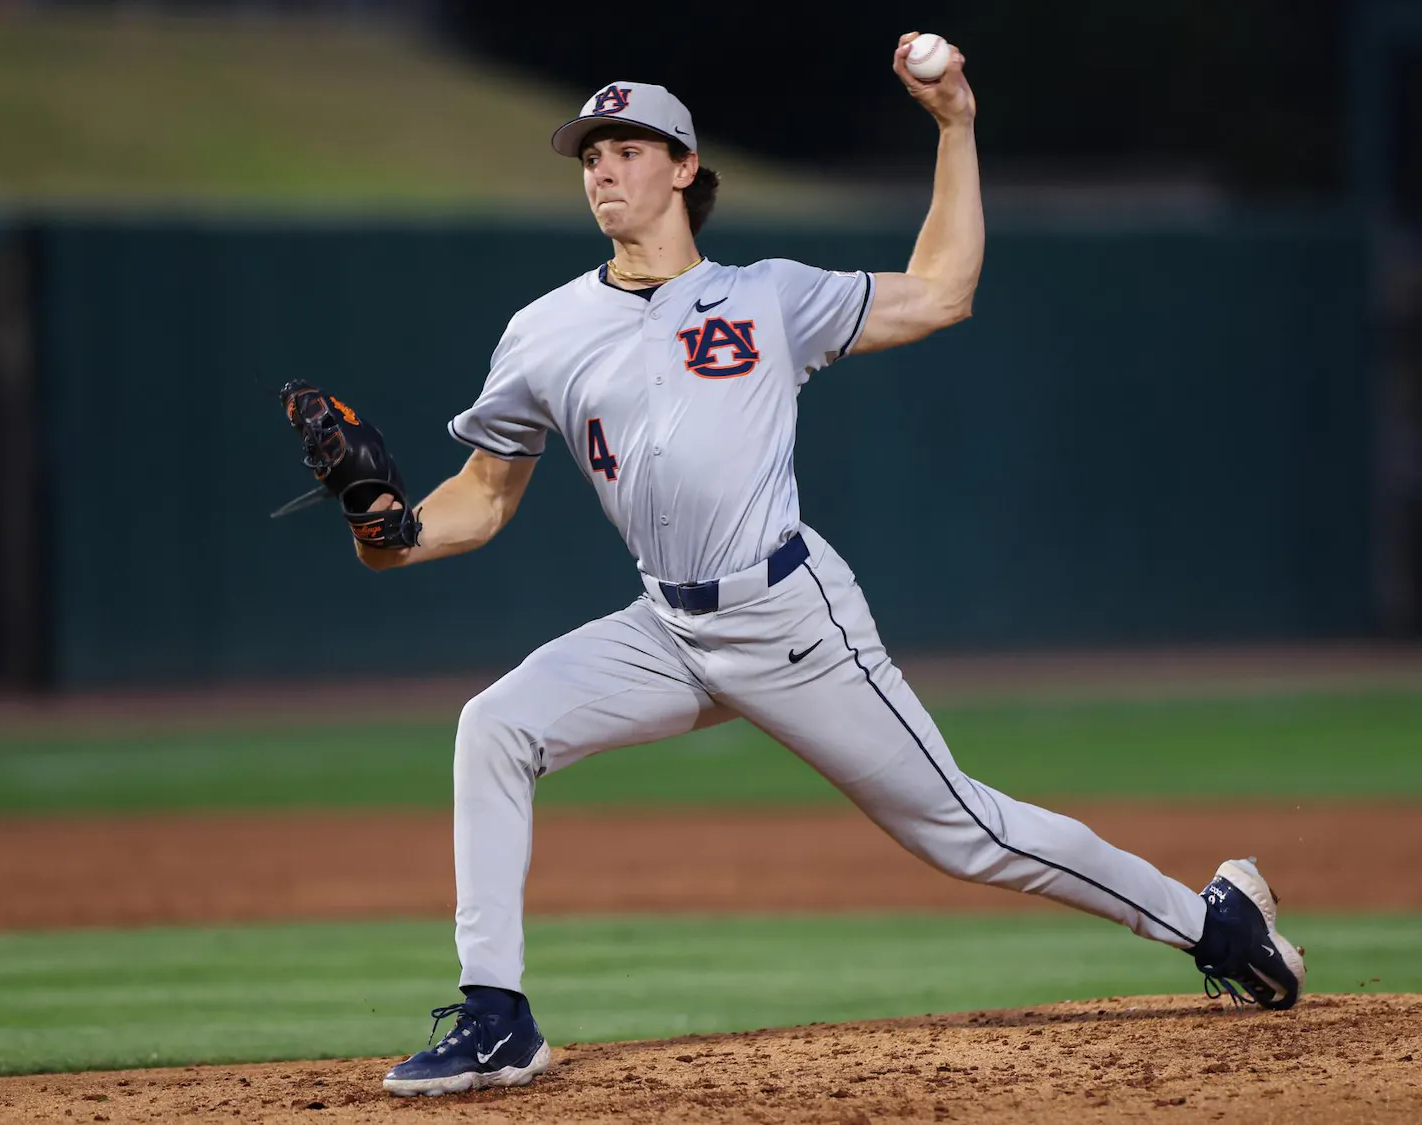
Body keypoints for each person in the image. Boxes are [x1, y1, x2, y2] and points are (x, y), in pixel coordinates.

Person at [365, 34, 1306, 1098]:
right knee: (496, 725)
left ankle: (1212, 923)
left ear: (683, 170)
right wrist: (390, 526)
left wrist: (955, 125)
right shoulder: (542, 331)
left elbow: (943, 289)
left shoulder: (770, 296)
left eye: (629, 147)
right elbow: (478, 502)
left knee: (966, 834)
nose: (603, 168)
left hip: (789, 621)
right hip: (664, 631)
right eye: (591, 152)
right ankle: (496, 1017)